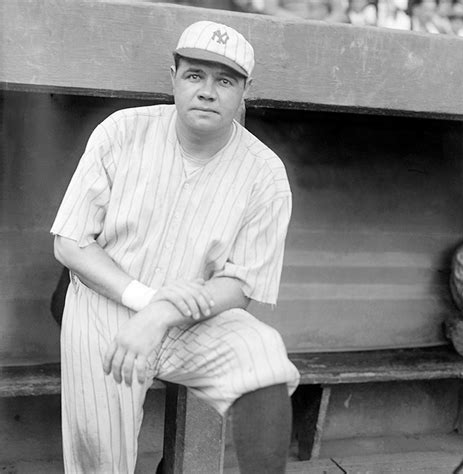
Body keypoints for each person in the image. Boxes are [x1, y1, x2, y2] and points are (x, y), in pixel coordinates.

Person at [51, 20, 300, 474]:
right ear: (173, 76)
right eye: (194, 75)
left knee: (263, 356)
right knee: (99, 460)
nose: (207, 91)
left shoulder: (265, 172)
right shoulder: (121, 132)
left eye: (224, 80)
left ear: (245, 90)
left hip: (192, 313)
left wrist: (164, 312)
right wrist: (145, 302)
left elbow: (240, 285)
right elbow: (70, 243)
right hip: (104, 303)